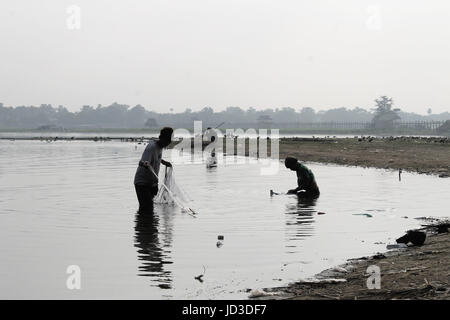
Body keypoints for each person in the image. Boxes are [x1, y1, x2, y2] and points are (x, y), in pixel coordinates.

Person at [134, 127, 173, 211]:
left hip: (153, 183)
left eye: (168, 143)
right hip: (142, 183)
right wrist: (145, 164)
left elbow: (156, 158)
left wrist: (163, 161)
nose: (166, 145)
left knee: (150, 209)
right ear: (161, 138)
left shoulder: (161, 146)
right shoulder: (151, 147)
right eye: (166, 142)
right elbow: (141, 162)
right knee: (146, 208)